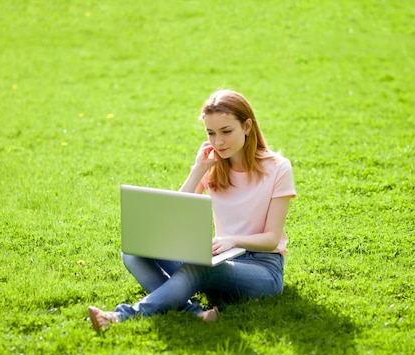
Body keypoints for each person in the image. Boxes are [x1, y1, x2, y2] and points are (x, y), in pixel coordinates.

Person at [88, 89, 296, 331]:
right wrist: (198, 170)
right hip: (221, 257)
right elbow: (174, 214)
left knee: (200, 269)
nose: (218, 142)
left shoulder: (278, 168)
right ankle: (193, 312)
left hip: (264, 269)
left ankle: (123, 316)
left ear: (247, 126)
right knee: (134, 252)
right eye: (211, 133)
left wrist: (231, 240)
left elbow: (271, 239)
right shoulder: (213, 166)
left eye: (226, 131)